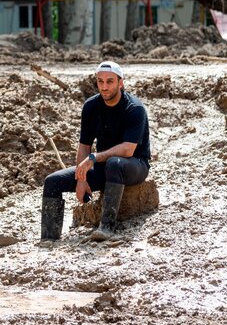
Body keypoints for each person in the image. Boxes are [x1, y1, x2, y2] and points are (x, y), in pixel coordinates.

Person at [41, 61, 151, 242]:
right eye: (100, 82)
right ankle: (48, 238)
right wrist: (81, 179)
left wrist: (94, 158)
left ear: (120, 83)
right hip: (103, 167)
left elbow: (128, 149)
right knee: (52, 181)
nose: (104, 87)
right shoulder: (91, 106)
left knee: (114, 163)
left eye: (110, 81)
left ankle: (107, 228)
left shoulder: (134, 108)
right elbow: (84, 145)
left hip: (134, 165)